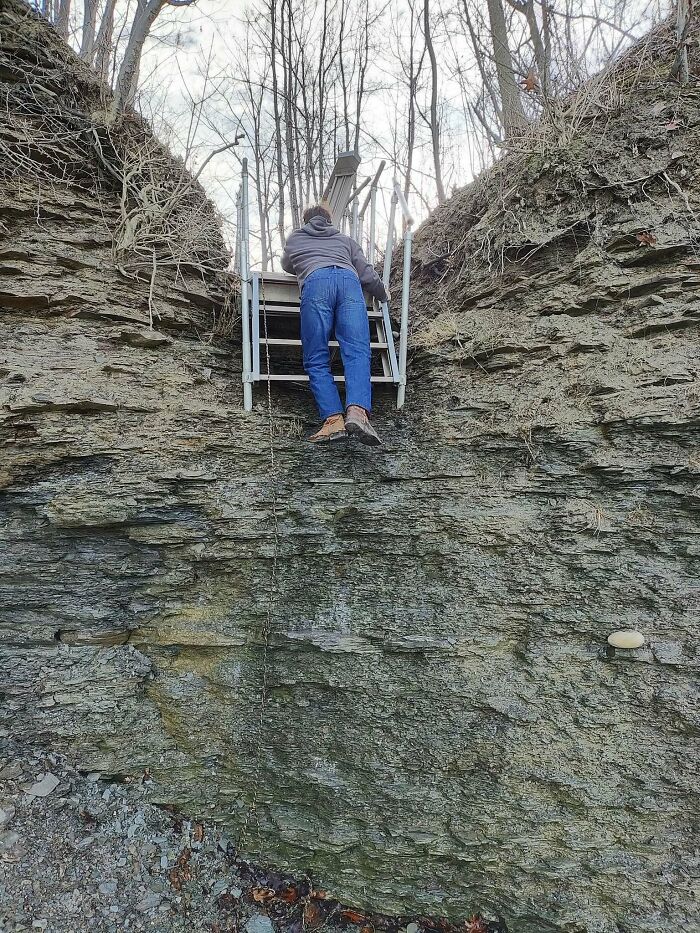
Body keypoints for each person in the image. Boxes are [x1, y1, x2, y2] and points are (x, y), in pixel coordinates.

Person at [281, 204, 388, 446]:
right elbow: (366, 273)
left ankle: (333, 421)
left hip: (315, 282)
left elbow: (287, 265)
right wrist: (382, 294)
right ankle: (357, 413)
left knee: (316, 355)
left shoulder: (296, 238)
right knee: (357, 350)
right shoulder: (345, 240)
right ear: (329, 221)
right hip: (350, 283)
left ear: (306, 221)